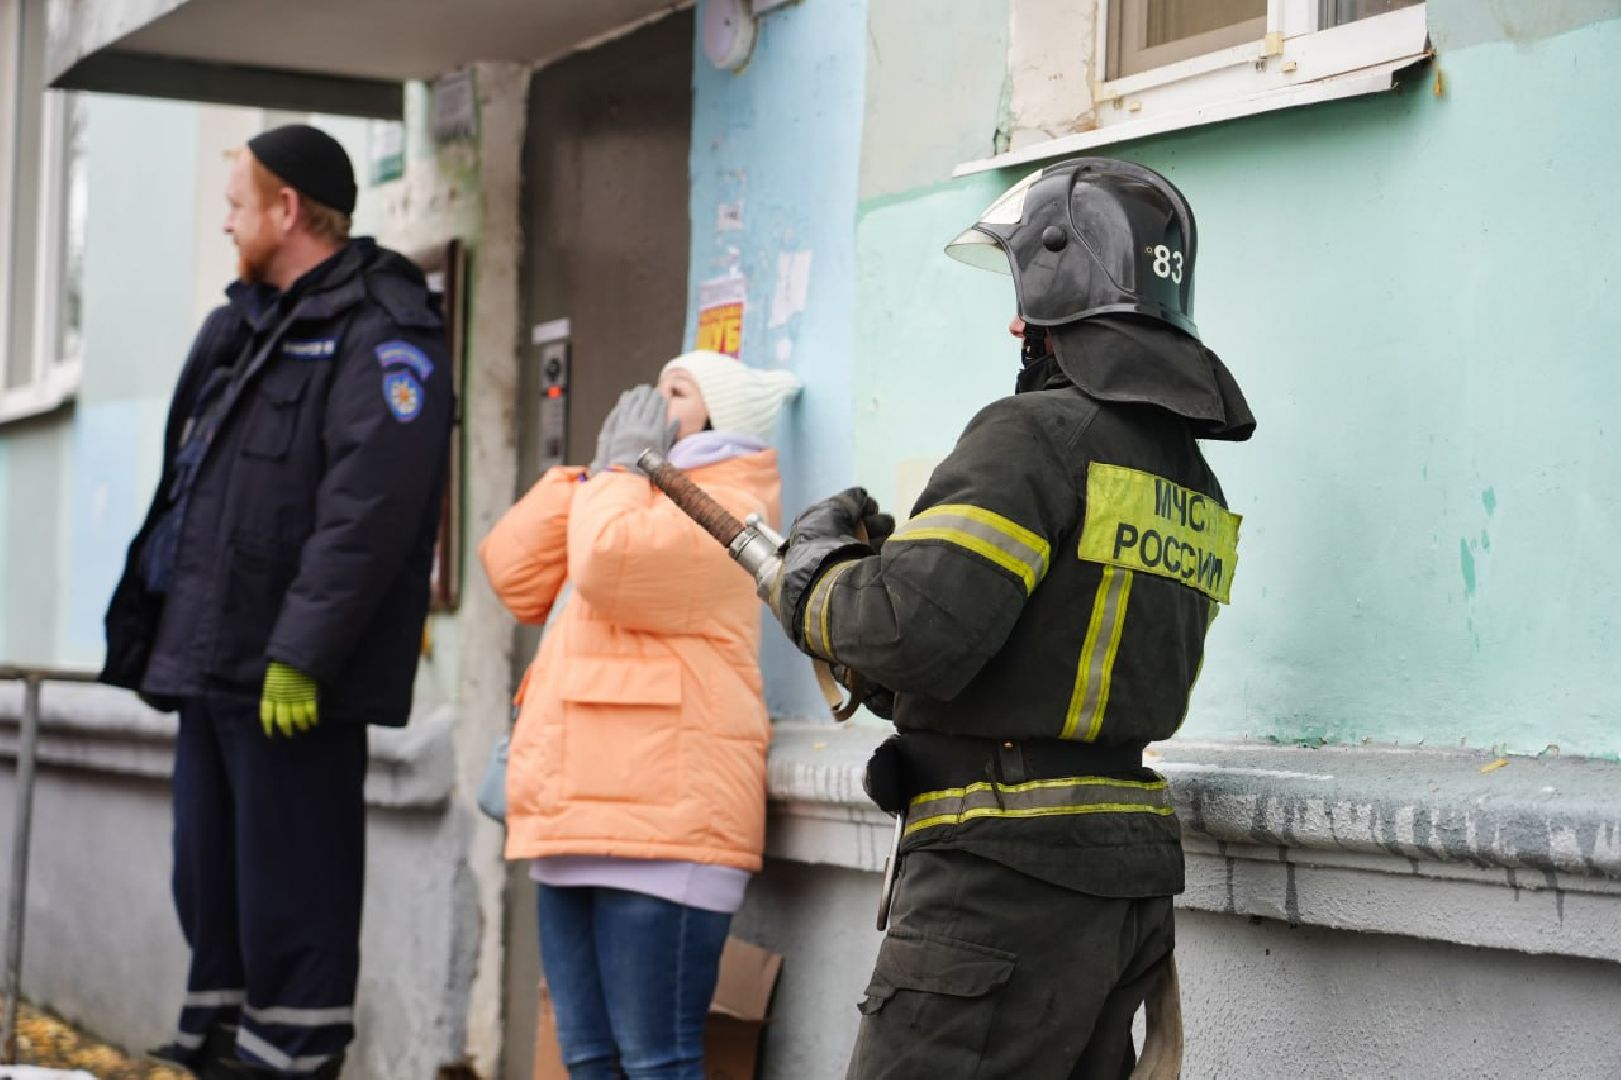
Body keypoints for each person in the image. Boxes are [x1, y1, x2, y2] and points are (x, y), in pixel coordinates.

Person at [768, 157, 1256, 1078]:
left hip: (996, 887)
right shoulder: (1189, 479)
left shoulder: (1031, 435)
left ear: (1052, 300)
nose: (1011, 321)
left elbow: (912, 630)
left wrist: (815, 576)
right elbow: (1047, 656)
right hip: (1119, 889)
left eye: (1020, 296)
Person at [101, 124, 454, 1078]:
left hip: (289, 679)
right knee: (210, 892)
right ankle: (216, 1051)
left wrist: (301, 650)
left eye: (236, 205)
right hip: (211, 665)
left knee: (291, 902)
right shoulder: (244, 325)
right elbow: (188, 487)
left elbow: (367, 512)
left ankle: (288, 1064)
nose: (225, 224)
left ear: (287, 210)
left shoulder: (385, 329)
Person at [479, 351, 800, 1080]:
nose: (652, 402)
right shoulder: (620, 490)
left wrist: (622, 474)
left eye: (677, 390)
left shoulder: (733, 499)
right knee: (586, 1057)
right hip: (571, 812)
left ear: (721, 417)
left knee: (657, 1061)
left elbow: (607, 565)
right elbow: (512, 570)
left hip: (666, 825)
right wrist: (594, 472)